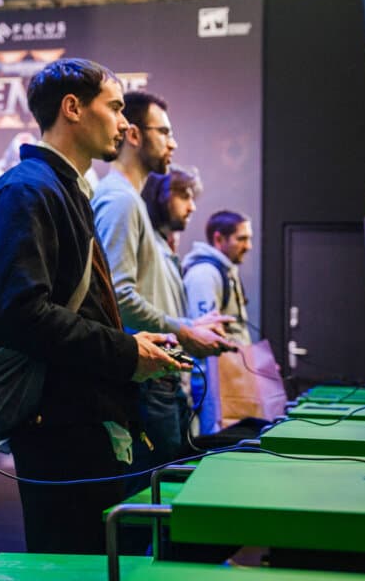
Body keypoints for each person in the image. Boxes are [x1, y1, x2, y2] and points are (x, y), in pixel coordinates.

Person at [0, 58, 185, 555]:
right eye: (114, 107)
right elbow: (21, 315)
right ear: (72, 109)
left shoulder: (59, 190)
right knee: (74, 560)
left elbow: (70, 310)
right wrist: (126, 353)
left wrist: (129, 344)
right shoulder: (25, 192)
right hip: (60, 429)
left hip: (80, 423)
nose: (125, 123)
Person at [92, 91, 230, 486]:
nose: (173, 143)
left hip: (157, 378)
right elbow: (118, 296)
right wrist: (184, 329)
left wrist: (188, 324)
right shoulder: (120, 200)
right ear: (133, 135)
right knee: (156, 505)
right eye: (164, 132)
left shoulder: (129, 200)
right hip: (145, 379)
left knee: (166, 496)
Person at [140, 166, 216, 435]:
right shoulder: (146, 242)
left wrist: (194, 326)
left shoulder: (161, 245)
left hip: (169, 380)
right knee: (156, 473)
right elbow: (124, 300)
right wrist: (186, 329)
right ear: (159, 196)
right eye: (184, 196)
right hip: (153, 381)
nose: (192, 206)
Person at [183, 210, 255, 434]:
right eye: (241, 238)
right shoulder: (205, 274)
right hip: (212, 385)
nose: (249, 246)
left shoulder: (225, 271)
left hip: (228, 381)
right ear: (218, 239)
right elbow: (206, 336)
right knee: (214, 447)